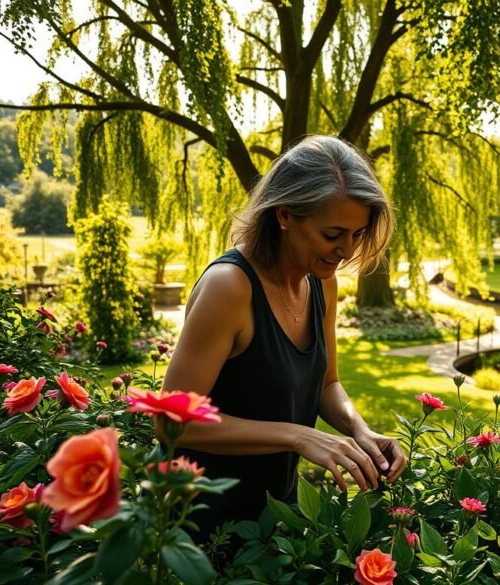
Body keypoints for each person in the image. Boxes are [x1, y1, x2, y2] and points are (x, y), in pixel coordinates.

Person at [163, 135, 406, 536]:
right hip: (194, 523)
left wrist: (360, 431)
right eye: (333, 234)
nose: (346, 250)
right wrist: (298, 436)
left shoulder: (321, 283)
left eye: (358, 234)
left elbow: (327, 382)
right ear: (285, 215)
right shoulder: (230, 288)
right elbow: (173, 421)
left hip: (274, 517)